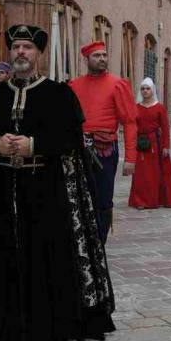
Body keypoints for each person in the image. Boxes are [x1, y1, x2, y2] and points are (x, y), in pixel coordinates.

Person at [0, 24, 115, 341]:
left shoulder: (58, 94)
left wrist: (34, 143)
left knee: (44, 254)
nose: (21, 52)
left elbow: (70, 140)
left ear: (39, 55)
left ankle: (44, 324)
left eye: (28, 48)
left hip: (44, 190)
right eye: (17, 46)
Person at [69, 41, 137, 242]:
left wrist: (130, 158)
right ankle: (82, 240)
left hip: (105, 150)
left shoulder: (117, 84)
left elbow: (130, 122)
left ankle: (99, 242)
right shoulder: (74, 85)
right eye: (97, 56)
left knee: (103, 198)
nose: (102, 59)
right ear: (86, 59)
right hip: (78, 149)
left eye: (104, 55)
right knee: (79, 196)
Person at [128, 79, 171, 210]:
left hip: (156, 144)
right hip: (141, 143)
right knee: (141, 173)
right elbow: (132, 127)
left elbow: (165, 128)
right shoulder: (136, 107)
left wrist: (166, 146)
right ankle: (141, 200)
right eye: (143, 88)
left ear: (152, 90)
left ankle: (156, 199)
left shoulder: (159, 107)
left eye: (147, 88)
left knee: (155, 173)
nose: (145, 91)